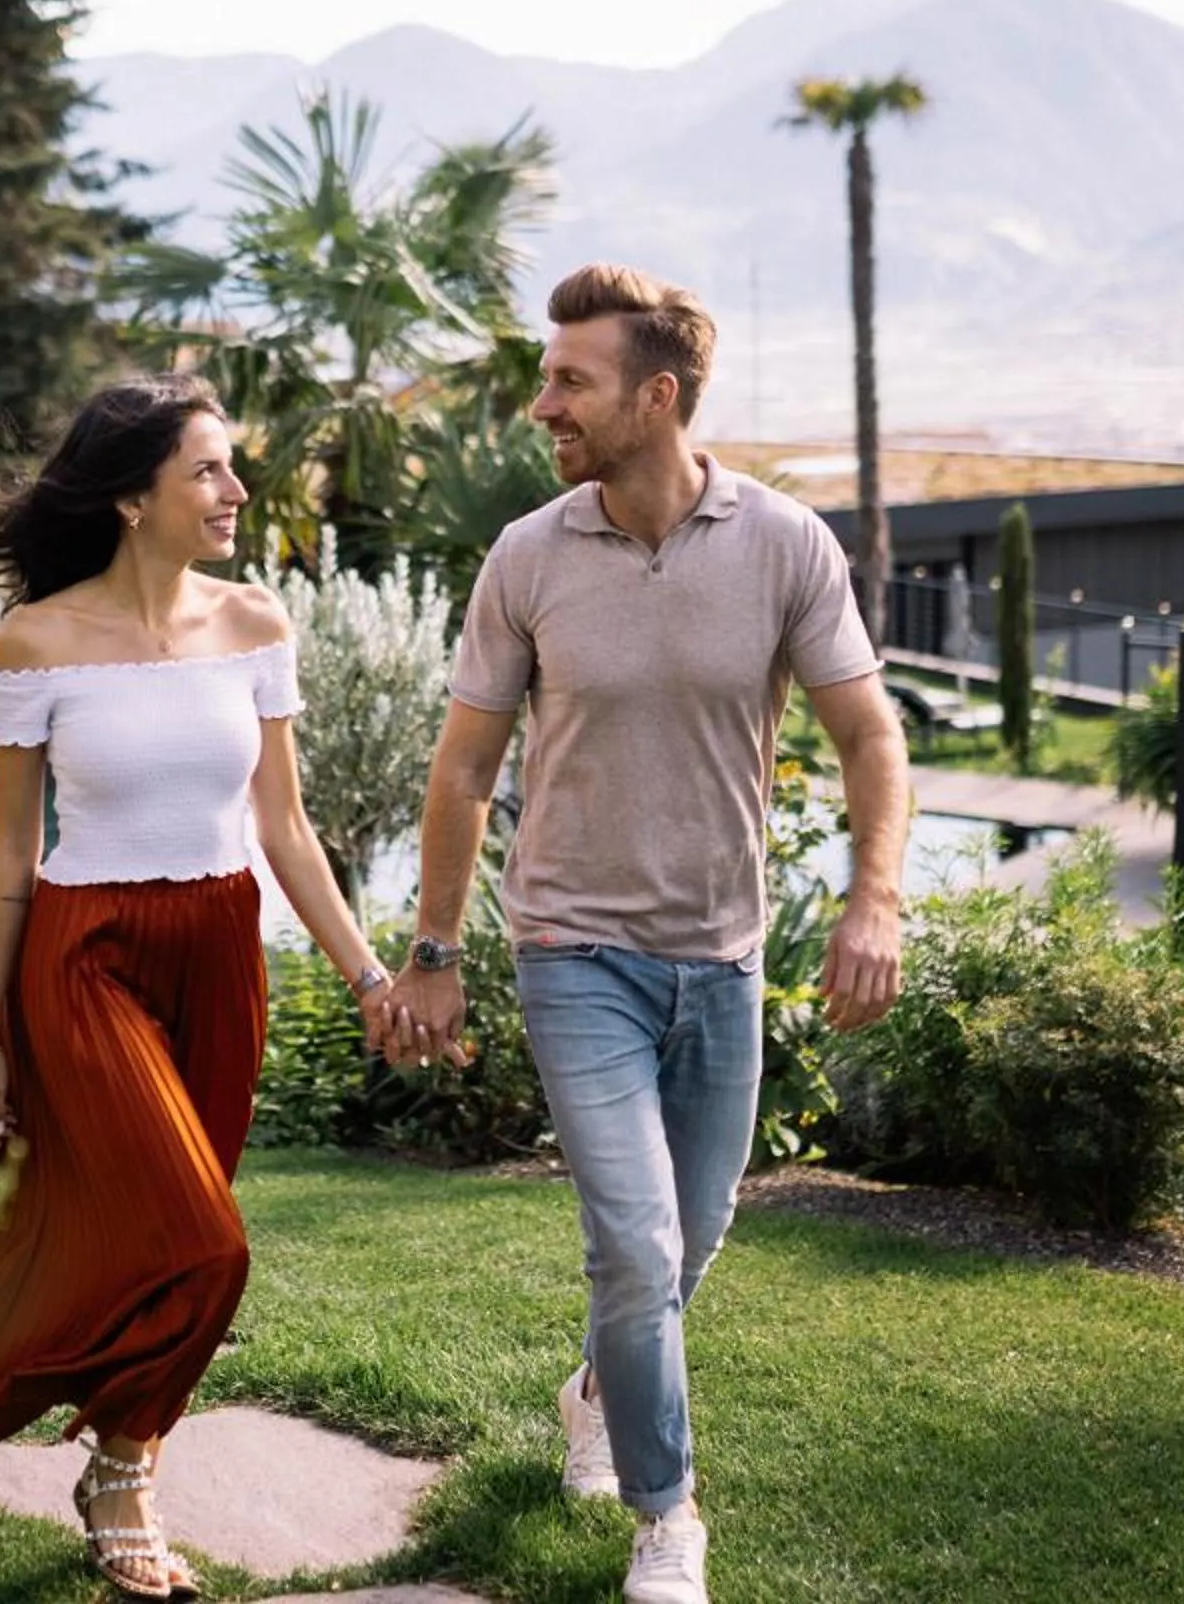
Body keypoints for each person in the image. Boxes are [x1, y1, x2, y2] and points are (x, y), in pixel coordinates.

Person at [388, 264, 911, 1604]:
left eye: (571, 380)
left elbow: (869, 736)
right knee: (636, 1243)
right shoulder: (530, 555)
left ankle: (595, 1389)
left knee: (690, 1242)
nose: (540, 401)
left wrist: (873, 897)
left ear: (658, 396)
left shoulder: (787, 545)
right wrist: (434, 955)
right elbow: (460, 772)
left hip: (722, 957)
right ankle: (667, 1517)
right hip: (574, 952)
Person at [0, 373, 396, 1600]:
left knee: (175, 1230)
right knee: (203, 1236)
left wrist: (367, 974)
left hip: (220, 944)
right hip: (86, 952)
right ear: (134, 497)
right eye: (207, 468)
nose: (236, 488)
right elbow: (9, 848)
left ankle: (118, 1452)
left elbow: (287, 827)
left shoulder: (254, 623)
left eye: (230, 465)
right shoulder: (38, 639)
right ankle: (128, 1477)